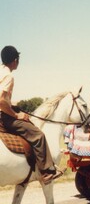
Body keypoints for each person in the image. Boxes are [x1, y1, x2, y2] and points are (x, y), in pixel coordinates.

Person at [0, 45, 63, 184]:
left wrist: (13, 106)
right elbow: (1, 101)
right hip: (3, 118)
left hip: (3, 113)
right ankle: (47, 172)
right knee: (38, 135)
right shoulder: (8, 76)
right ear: (15, 60)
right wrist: (17, 116)